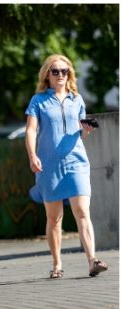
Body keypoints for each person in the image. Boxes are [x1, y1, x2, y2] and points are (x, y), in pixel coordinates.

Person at [25, 54, 107, 280]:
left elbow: (80, 130)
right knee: (54, 218)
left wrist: (86, 131)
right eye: (56, 71)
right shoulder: (38, 101)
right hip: (48, 165)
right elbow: (31, 130)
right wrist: (32, 155)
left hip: (76, 162)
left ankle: (92, 260)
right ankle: (57, 264)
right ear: (47, 75)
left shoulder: (77, 99)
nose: (61, 75)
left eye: (65, 71)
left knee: (82, 211)